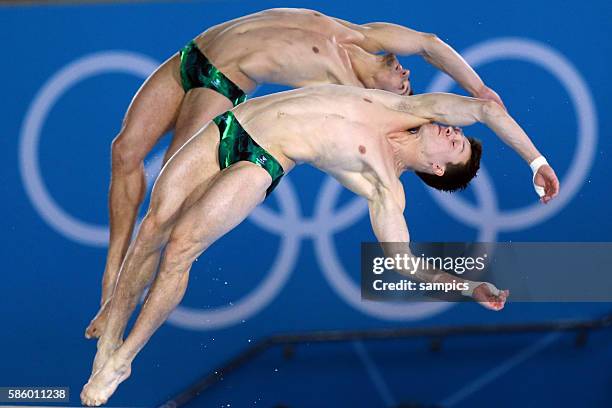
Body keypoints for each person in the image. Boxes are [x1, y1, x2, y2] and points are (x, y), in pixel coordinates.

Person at [80, 84, 559, 406]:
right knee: (152, 228)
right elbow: (485, 109)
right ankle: (109, 340)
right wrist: (535, 159)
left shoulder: (384, 189)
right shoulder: (404, 105)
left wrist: (468, 286)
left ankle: (124, 360)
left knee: (182, 247)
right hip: (231, 125)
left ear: (437, 170)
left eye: (455, 146)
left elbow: (406, 266)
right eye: (459, 134)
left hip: (263, 161)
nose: (455, 132)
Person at [89, 7, 508, 339]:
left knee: (166, 207)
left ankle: (116, 303)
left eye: (403, 90)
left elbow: (392, 239)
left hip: (218, 81)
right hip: (200, 49)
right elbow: (429, 43)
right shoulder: (361, 34)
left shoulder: (348, 96)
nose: (406, 74)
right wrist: (480, 89)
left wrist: (468, 287)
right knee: (123, 151)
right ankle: (112, 275)